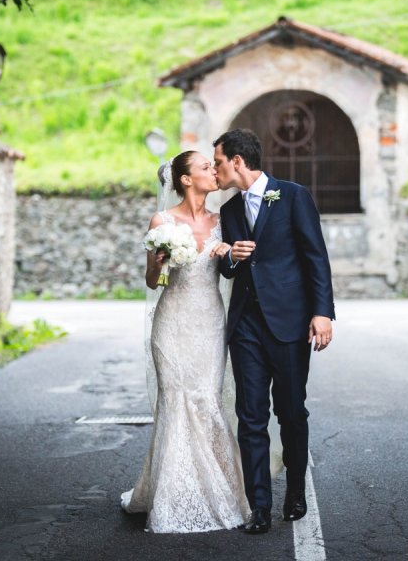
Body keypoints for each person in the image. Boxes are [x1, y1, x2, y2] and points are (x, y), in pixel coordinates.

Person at [120, 150, 250, 533]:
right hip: (172, 323)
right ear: (186, 179)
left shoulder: (224, 220)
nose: (215, 170)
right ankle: (172, 496)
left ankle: (217, 491)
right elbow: (151, 281)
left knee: (207, 399)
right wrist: (159, 262)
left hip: (209, 322)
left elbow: (229, 270)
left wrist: (229, 254)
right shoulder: (162, 221)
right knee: (175, 401)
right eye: (206, 167)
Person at [213, 128, 335, 535]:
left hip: (288, 322)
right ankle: (259, 507)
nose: (215, 170)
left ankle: (295, 492)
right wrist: (231, 254)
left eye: (217, 162)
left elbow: (315, 256)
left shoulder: (293, 195)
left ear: (236, 160)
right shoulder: (229, 212)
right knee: (250, 417)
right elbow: (227, 269)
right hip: (246, 324)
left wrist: (322, 313)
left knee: (291, 412)